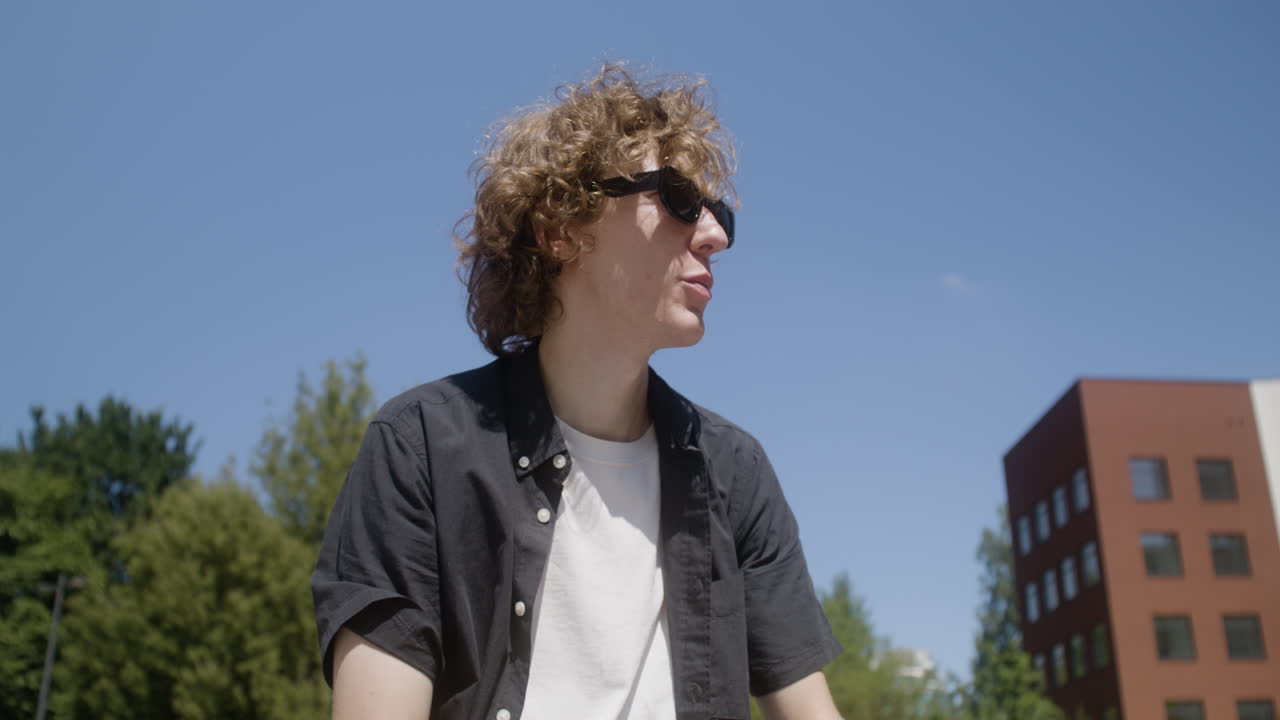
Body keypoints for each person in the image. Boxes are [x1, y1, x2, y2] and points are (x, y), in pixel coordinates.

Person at [311, 64, 843, 720]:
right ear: (561, 229)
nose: (716, 234)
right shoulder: (419, 448)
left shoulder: (736, 472)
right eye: (678, 198)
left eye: (720, 212)